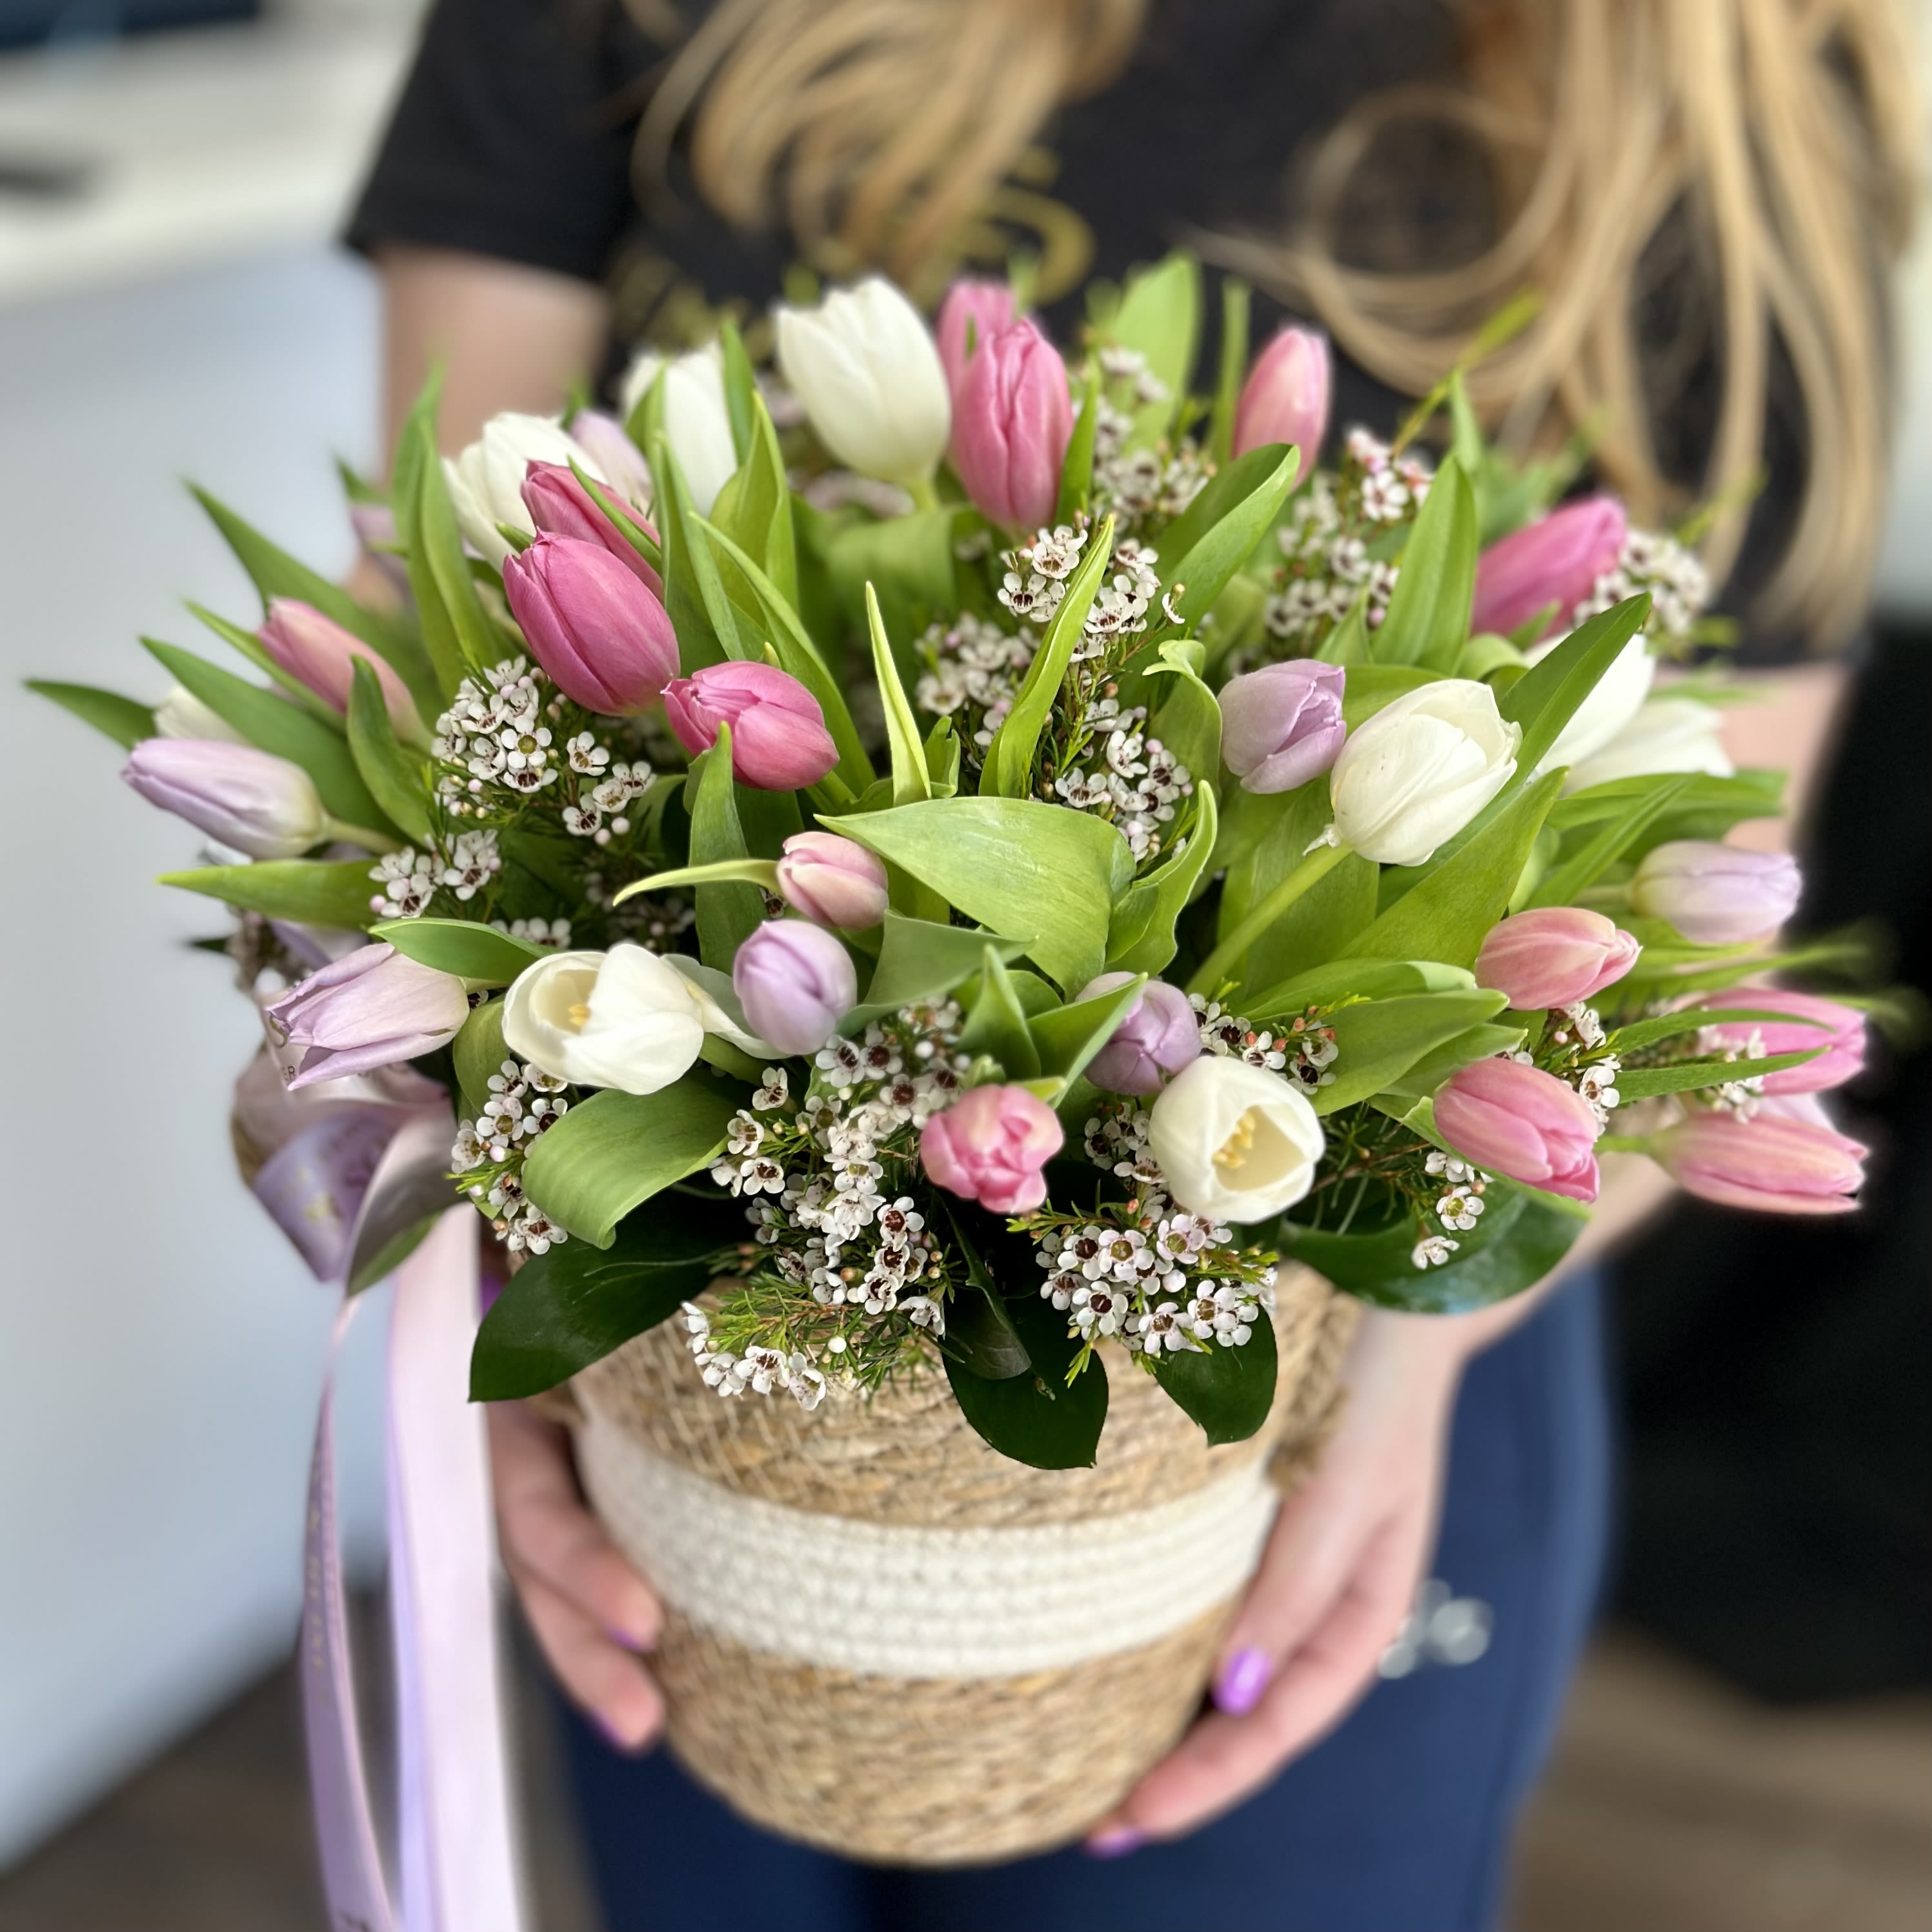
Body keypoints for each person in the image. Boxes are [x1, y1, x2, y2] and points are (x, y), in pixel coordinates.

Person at [344, 5, 1918, 1927]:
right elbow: (431, 632)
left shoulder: (1727, 79)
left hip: (1355, 1363)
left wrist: (1409, 1337)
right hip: (684, 1361)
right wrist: (478, 1256)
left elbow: (1693, 890)